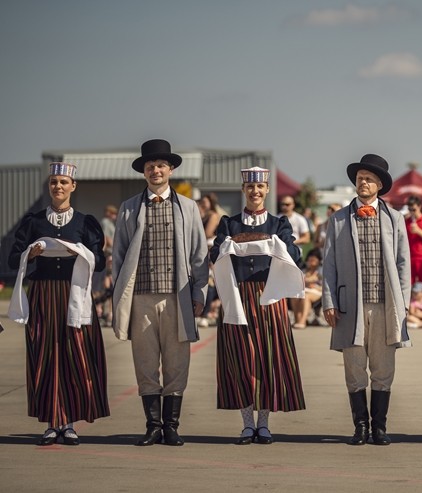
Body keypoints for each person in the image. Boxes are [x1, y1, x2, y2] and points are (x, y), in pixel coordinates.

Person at [111, 139, 209, 447]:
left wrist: (199, 293)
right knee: (145, 361)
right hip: (141, 296)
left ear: (171, 169)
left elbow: (199, 255)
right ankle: (152, 425)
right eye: (150, 166)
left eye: (161, 165)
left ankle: (172, 426)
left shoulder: (188, 207)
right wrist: (119, 299)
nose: (156, 170)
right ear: (144, 172)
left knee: (177, 361)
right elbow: (119, 256)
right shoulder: (129, 209)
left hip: (176, 297)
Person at [8, 162, 109, 445]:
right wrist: (32, 252)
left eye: (64, 182)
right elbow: (12, 259)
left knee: (75, 353)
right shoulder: (34, 222)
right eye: (54, 182)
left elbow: (99, 262)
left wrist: (79, 252)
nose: (58, 187)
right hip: (43, 294)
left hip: (74, 292)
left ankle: (71, 421)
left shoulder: (85, 223)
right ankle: (53, 422)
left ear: (73, 186)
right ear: (49, 186)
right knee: (46, 352)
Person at [210, 166, 306, 445]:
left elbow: (295, 254)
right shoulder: (229, 223)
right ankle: (247, 424)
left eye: (260, 187)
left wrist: (274, 244)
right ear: (244, 190)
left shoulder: (279, 224)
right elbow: (217, 252)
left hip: (269, 294)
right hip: (237, 294)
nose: (255, 192)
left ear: (266, 190)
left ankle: (264, 424)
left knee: (268, 357)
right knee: (241, 358)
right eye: (250, 187)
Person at [322, 153, 411, 446]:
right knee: (355, 367)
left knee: (384, 369)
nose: (363, 181)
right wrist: (329, 300)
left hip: (386, 305)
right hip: (351, 306)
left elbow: (403, 264)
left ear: (379, 185)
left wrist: (404, 304)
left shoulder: (395, 219)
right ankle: (360, 427)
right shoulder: (337, 220)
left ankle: (380, 428)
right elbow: (329, 264)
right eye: (360, 177)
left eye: (369, 178)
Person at [291, 248, 324, 328]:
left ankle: (302, 321)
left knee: (306, 296)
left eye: (314, 258)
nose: (312, 259)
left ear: (318, 260)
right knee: (294, 295)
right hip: (304, 290)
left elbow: (325, 286)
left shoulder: (321, 271)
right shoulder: (303, 271)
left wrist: (316, 287)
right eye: (310, 257)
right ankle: (298, 320)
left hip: (317, 291)